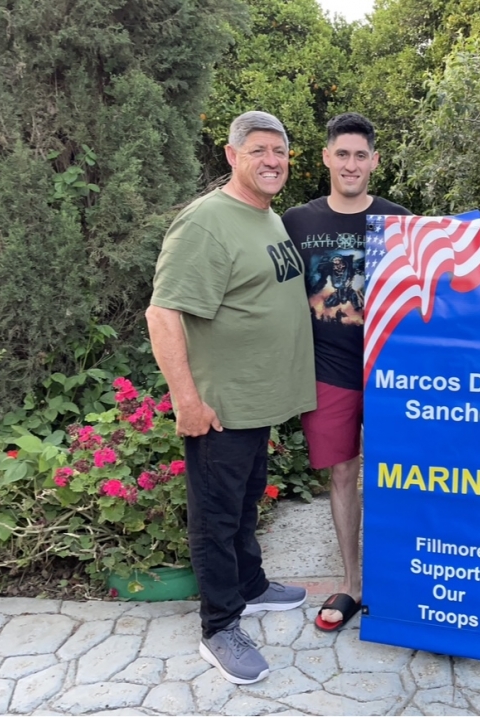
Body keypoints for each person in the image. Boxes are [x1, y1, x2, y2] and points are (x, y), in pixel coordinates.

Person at [145, 110, 317, 684]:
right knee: (216, 519)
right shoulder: (207, 222)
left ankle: (251, 586)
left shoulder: (263, 217)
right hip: (221, 407)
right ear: (231, 155)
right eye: (260, 150)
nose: (273, 161)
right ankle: (220, 627)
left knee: (245, 505)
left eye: (281, 152)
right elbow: (163, 312)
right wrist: (187, 401)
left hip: (257, 401)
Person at [282, 113, 410, 632]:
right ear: (326, 158)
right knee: (342, 474)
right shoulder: (297, 221)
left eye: (361, 155)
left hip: (389, 372)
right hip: (327, 371)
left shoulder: (399, 219)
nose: (351, 164)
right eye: (343, 154)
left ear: (374, 161)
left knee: (397, 477)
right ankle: (352, 585)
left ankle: (398, 581)